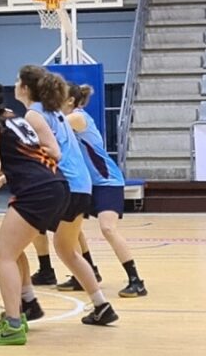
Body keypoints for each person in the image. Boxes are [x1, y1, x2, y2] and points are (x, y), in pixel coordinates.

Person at [0, 76, 69, 345]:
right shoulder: (11, 116)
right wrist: (5, 177)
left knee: (2, 255)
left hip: (37, 190)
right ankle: (25, 306)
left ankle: (13, 324)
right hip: (54, 183)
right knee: (13, 251)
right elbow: (26, 155)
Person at [17, 65, 118, 326]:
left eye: (18, 81)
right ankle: (102, 305)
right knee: (66, 250)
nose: (15, 85)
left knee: (10, 247)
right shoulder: (54, 112)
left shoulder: (34, 114)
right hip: (81, 186)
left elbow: (49, 153)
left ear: (26, 88)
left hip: (65, 186)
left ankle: (27, 304)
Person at [58, 82, 148, 297]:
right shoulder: (66, 120)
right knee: (72, 227)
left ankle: (136, 281)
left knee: (108, 228)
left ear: (70, 101)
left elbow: (49, 127)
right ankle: (88, 272)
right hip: (86, 183)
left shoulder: (77, 118)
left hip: (107, 181)